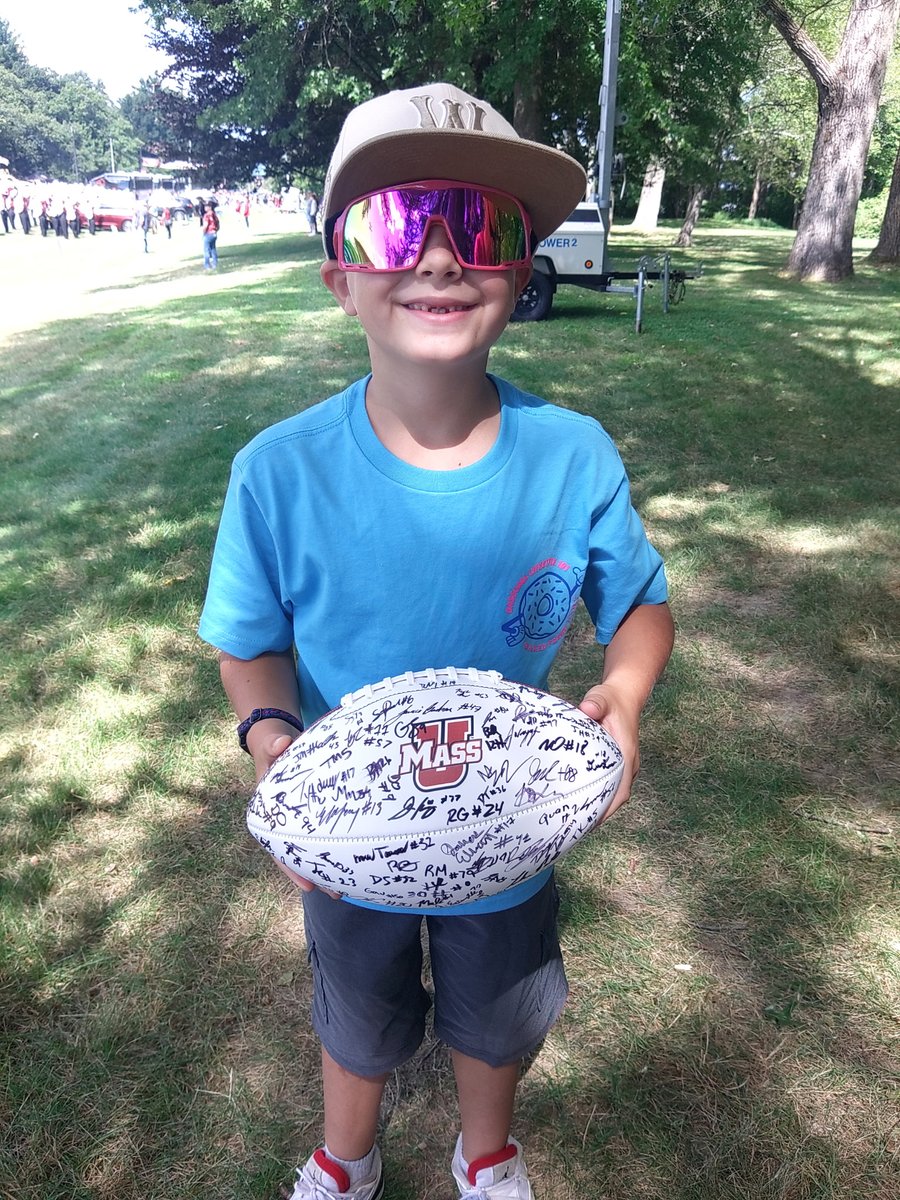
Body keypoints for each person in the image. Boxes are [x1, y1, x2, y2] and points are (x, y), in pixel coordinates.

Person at [198, 82, 674, 1200]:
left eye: (486, 227)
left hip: (508, 818)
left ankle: (487, 1151)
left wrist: (627, 693)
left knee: (498, 1007)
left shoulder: (572, 457)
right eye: (399, 225)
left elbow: (640, 602)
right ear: (341, 280)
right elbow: (250, 641)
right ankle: (346, 1156)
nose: (443, 257)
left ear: (521, 269)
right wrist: (272, 734)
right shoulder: (279, 472)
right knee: (357, 1006)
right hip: (355, 820)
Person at [201, 201, 219, 269]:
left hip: (208, 233)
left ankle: (207, 265)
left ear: (209, 207)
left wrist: (203, 232)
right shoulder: (214, 214)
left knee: (206, 250)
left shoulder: (207, 215)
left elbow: (205, 225)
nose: (205, 207)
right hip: (214, 233)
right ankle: (215, 264)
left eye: (206, 206)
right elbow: (218, 223)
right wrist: (216, 230)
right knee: (213, 249)